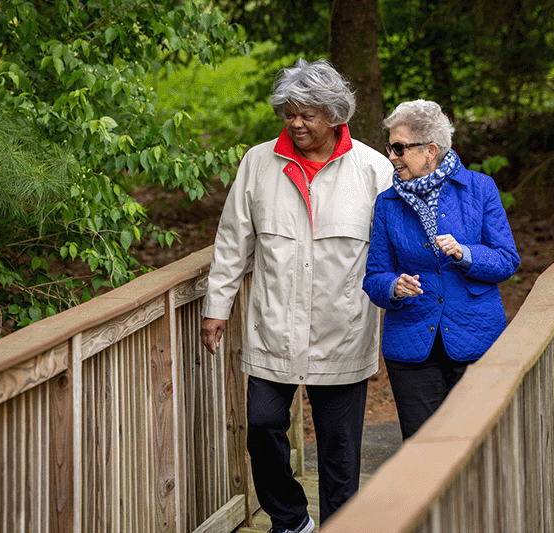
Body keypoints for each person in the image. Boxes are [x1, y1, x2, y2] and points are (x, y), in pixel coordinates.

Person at [199, 58, 392, 532]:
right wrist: (216, 307)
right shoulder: (259, 163)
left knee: (339, 447)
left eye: (308, 114)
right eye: (289, 112)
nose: (297, 123)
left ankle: (341, 525)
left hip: (342, 328)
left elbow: (393, 246)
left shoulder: (372, 169)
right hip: (274, 327)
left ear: (334, 115)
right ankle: (290, 520)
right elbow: (232, 241)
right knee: (263, 427)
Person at [362, 99, 520, 441]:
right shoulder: (388, 203)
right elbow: (374, 276)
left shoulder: (480, 189)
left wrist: (466, 254)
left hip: (476, 339)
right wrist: (393, 286)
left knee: (477, 445)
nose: (392, 156)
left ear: (430, 150)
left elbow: (507, 260)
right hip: (410, 345)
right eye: (390, 146)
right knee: (421, 448)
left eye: (400, 148)